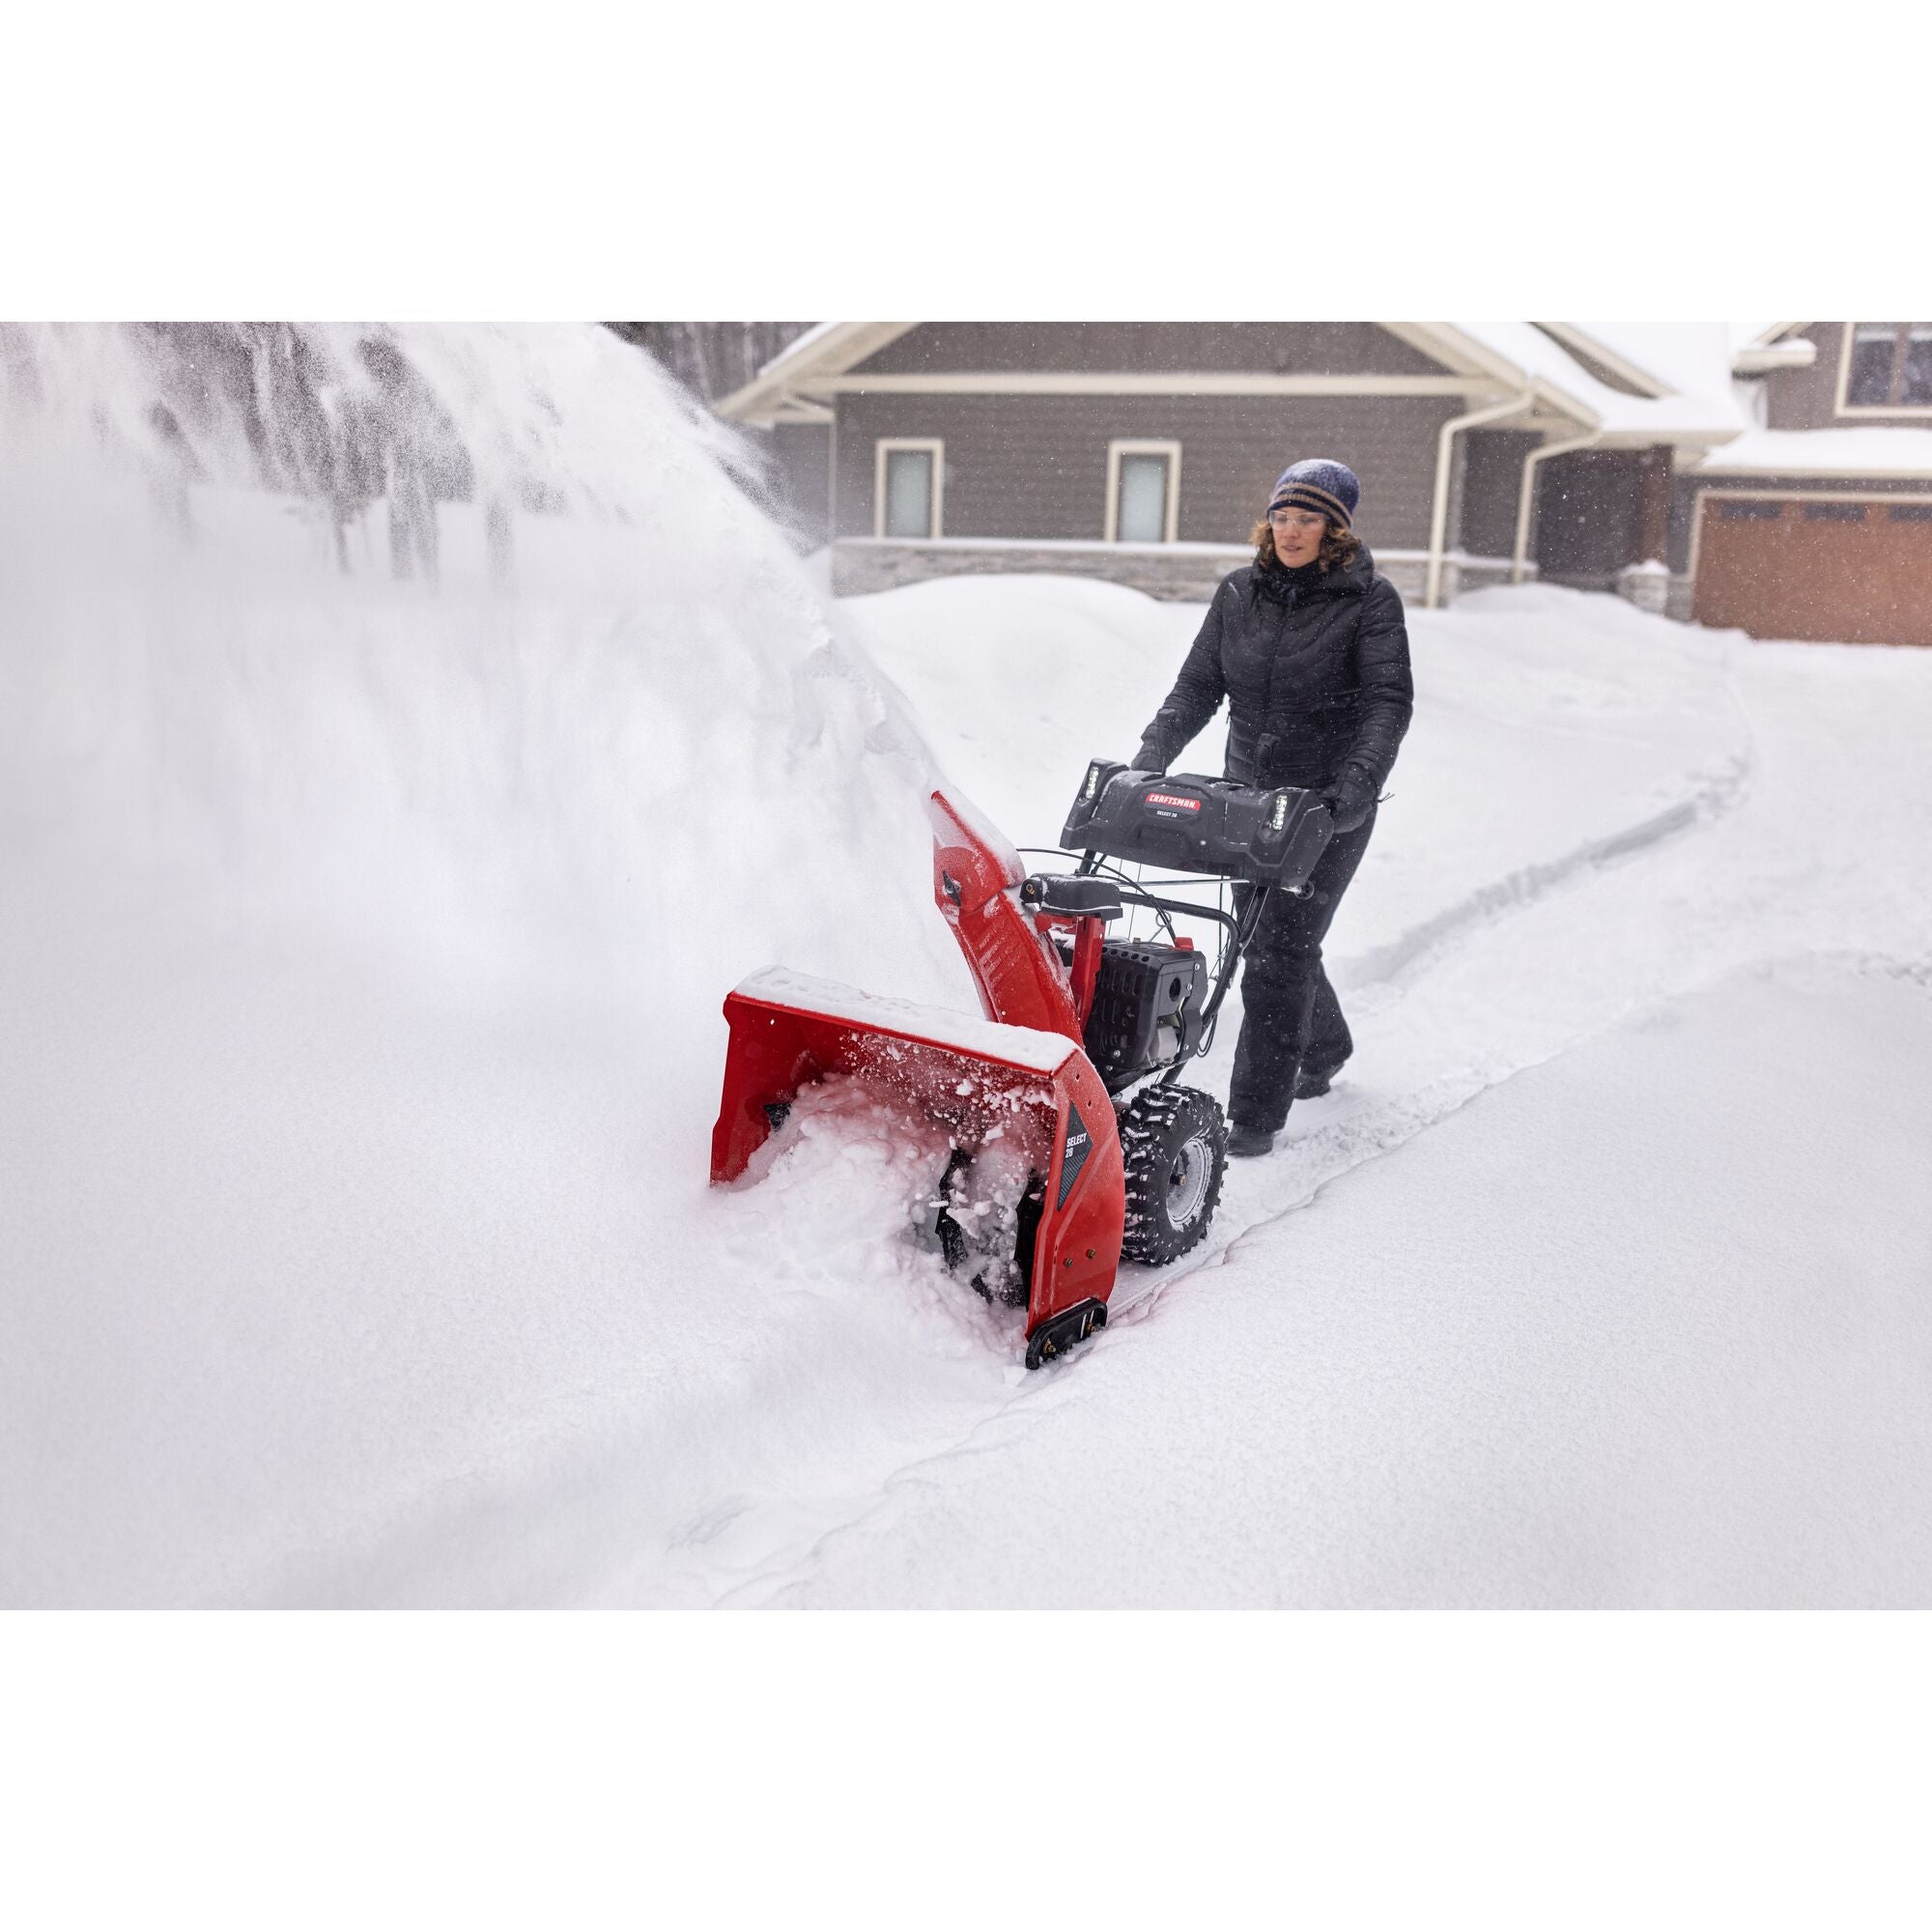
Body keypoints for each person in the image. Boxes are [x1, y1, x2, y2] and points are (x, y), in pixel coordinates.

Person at [1129, 459, 1413, 1157]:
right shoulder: (1238, 593)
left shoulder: (1369, 601)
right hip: (1249, 802)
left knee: (1280, 948)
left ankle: (1255, 1116)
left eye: (1308, 518)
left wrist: (1356, 784)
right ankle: (1326, 1046)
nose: (1291, 531)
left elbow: (1387, 704)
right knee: (1267, 937)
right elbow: (1199, 684)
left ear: (1335, 529)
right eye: (1283, 516)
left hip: (1326, 804)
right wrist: (1150, 756)